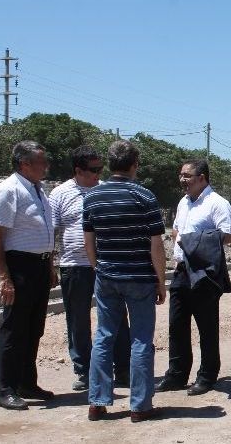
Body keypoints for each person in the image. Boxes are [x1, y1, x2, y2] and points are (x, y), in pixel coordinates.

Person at [83, 140, 166, 422]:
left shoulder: (93, 197)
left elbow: (89, 240)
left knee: (104, 337)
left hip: (107, 277)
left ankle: (97, 402)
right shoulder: (144, 196)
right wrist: (160, 279)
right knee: (141, 340)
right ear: (135, 164)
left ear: (109, 164)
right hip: (139, 279)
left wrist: (99, 268)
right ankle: (140, 406)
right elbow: (156, 244)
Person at [49, 145, 131, 392]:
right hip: (75, 266)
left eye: (100, 168)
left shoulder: (105, 190)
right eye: (93, 170)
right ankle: (84, 370)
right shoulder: (60, 194)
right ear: (78, 170)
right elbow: (51, 232)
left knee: (116, 316)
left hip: (107, 265)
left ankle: (123, 369)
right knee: (78, 320)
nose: (98, 174)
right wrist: (50, 264)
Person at [0, 140, 58, 410]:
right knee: (14, 330)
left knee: (34, 329)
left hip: (39, 266)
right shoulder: (8, 190)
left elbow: (45, 232)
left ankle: (27, 382)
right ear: (24, 164)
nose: (46, 166)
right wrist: (4, 277)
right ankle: (5, 388)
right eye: (42, 162)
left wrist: (49, 265)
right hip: (19, 267)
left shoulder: (39, 191)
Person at [156, 159, 231, 396]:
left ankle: (207, 375)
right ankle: (177, 374)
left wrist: (196, 243)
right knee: (177, 324)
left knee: (206, 326)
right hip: (182, 269)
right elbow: (176, 230)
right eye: (181, 175)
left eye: (187, 176)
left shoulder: (217, 203)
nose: (182, 180)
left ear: (202, 178)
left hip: (204, 271)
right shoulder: (183, 202)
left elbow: (228, 235)